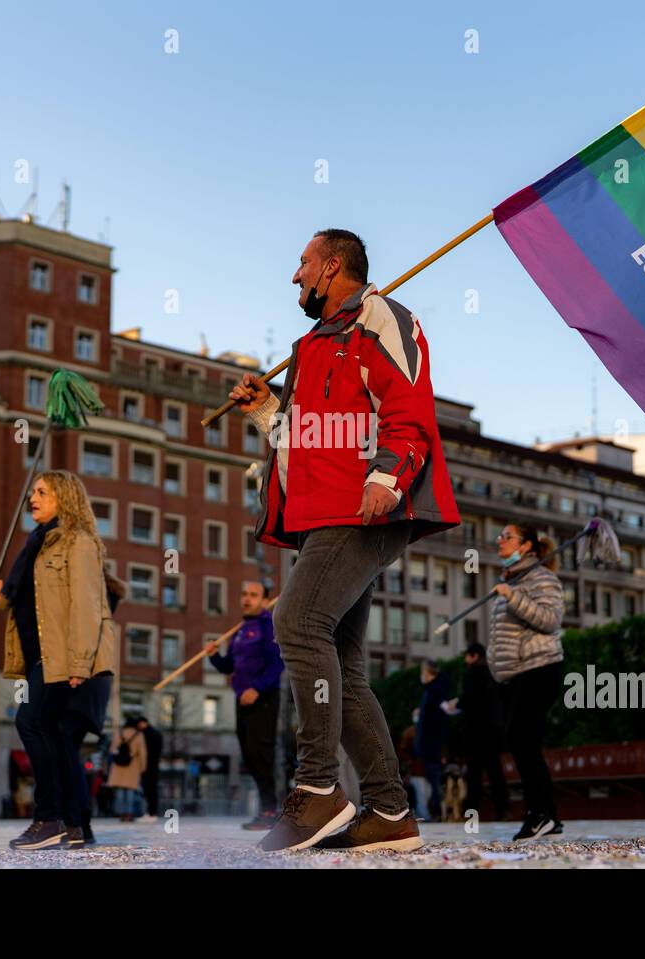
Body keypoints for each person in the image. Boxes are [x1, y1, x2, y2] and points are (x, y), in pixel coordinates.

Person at [229, 228, 460, 852]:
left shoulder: (383, 317)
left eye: (303, 264)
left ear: (332, 267)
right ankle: (387, 812)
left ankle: (319, 788)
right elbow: (300, 439)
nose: (294, 276)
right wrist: (263, 411)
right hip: (316, 520)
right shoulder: (309, 347)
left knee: (297, 624)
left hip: (361, 511)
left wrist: (388, 476)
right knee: (347, 670)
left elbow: (409, 406)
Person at [0, 470, 115, 851]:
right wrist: (3, 596)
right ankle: (75, 825)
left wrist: (78, 663)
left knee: (30, 720)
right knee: (56, 736)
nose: (33, 498)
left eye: (43, 492)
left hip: (64, 656)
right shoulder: (38, 544)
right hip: (39, 654)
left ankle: (49, 819)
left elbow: (87, 605)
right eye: (33, 492)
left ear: (65, 498)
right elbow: (34, 601)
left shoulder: (79, 542)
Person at [488, 523, 565, 840]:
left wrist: (514, 597)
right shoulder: (514, 580)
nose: (500, 540)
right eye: (500, 536)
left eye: (508, 537)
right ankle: (549, 817)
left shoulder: (542, 578)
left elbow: (550, 620)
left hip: (540, 667)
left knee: (520, 737)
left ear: (527, 547)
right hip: (516, 675)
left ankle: (540, 814)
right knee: (523, 741)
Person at [206, 580, 285, 830]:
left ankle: (271, 810)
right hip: (241, 700)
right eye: (244, 593)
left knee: (263, 755)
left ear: (264, 600)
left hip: (263, 700)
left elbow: (277, 665)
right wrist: (213, 657)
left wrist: (257, 689)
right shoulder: (239, 630)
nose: (246, 598)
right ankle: (265, 810)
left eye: (253, 594)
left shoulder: (268, 626)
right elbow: (229, 666)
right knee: (250, 757)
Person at [63, 572, 124, 844]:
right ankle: (78, 823)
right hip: (93, 683)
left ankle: (77, 823)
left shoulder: (92, 601)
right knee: (68, 750)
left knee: (64, 749)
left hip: (82, 680)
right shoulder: (104, 602)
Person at [451, 642, 510, 821]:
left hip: (475, 733)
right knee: (495, 773)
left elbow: (469, 700)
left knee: (474, 774)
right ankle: (503, 810)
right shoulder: (493, 675)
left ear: (474, 656)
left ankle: (472, 814)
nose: (465, 659)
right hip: (492, 732)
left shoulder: (471, 674)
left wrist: (456, 704)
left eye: (467, 655)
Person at [413, 661, 450, 821]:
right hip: (430, 742)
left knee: (434, 778)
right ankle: (436, 811)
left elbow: (436, 719)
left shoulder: (435, 691)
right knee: (432, 777)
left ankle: (437, 812)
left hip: (431, 742)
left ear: (429, 673)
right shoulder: (434, 690)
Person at [107, 717, 148, 822]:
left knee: (120, 791)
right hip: (133, 765)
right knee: (130, 791)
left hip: (119, 766)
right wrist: (143, 767)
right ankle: (129, 814)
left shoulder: (119, 733)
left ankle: (121, 813)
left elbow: (112, 749)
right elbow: (142, 753)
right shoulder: (139, 735)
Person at [135, 716, 163, 823]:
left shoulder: (144, 734)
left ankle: (151, 813)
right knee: (152, 789)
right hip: (154, 765)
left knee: (148, 789)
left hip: (147, 766)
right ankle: (152, 813)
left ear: (142, 723)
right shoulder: (157, 733)